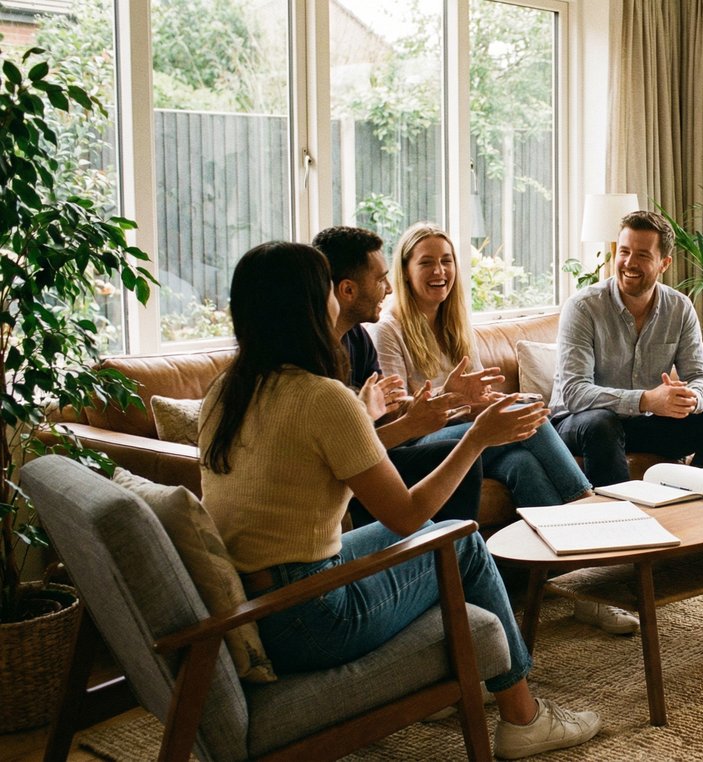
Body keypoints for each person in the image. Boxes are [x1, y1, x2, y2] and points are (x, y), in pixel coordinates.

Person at [199, 242, 601, 759]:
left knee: (452, 533)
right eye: (326, 290)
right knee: (460, 542)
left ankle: (469, 673)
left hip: (262, 598)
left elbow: (331, 459)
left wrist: (419, 426)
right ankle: (523, 718)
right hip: (310, 616)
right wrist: (475, 437)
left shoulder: (226, 391)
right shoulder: (323, 396)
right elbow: (410, 515)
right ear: (308, 305)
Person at [369, 223, 634, 635]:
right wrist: (452, 396)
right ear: (405, 271)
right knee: (527, 405)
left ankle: (576, 591)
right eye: (426, 263)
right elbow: (394, 410)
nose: (439, 271)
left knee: (524, 465)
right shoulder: (390, 328)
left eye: (446, 261)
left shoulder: (456, 322)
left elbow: (477, 396)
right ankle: (585, 502)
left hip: (471, 433)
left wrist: (485, 402)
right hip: (423, 443)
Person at [550, 210, 703, 488]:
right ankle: (619, 523)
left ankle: (693, 506)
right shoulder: (583, 307)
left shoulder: (679, 308)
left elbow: (702, 377)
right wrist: (647, 400)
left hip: (641, 423)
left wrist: (691, 399)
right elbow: (574, 393)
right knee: (602, 424)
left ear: (664, 263)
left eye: (642, 255)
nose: (629, 262)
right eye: (624, 251)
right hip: (579, 423)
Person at [313, 225, 487, 525]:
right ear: (348, 290)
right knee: (459, 452)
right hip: (351, 470)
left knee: (519, 449)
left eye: (447, 261)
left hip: (372, 453)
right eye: (381, 279)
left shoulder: (358, 339)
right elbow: (347, 452)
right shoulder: (313, 362)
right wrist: (414, 420)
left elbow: (386, 411)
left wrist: (444, 398)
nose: (390, 288)